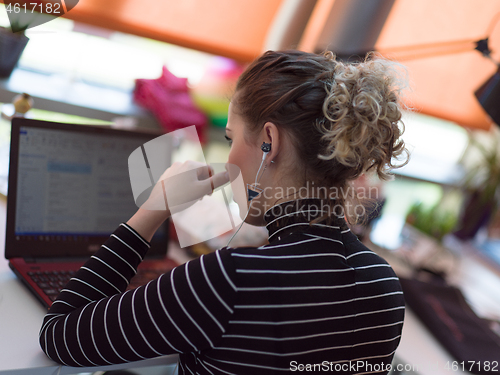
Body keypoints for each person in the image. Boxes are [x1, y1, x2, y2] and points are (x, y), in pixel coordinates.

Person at [40, 50, 408, 374]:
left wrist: (152, 210)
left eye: (231, 138)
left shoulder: (228, 281)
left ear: (269, 141)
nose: (228, 157)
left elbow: (58, 335)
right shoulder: (385, 287)